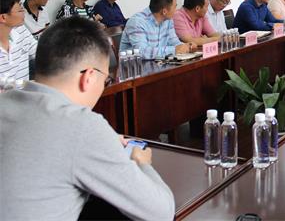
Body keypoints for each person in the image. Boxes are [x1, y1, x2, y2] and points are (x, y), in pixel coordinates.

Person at [0, 17, 175, 220]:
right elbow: (161, 212)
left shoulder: (6, 101)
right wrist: (142, 163)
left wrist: (103, 141)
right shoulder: (81, 125)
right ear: (89, 77)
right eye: (106, 80)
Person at [120, 0, 196, 59]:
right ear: (164, 11)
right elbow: (142, 51)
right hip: (134, 66)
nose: (176, 10)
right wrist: (174, 50)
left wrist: (185, 46)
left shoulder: (168, 20)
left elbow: (174, 41)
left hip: (158, 62)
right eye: (175, 7)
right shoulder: (137, 22)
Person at [0, 0, 37, 81]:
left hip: (24, 90)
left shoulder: (21, 30)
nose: (24, 11)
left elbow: (41, 52)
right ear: (3, 17)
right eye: (20, 9)